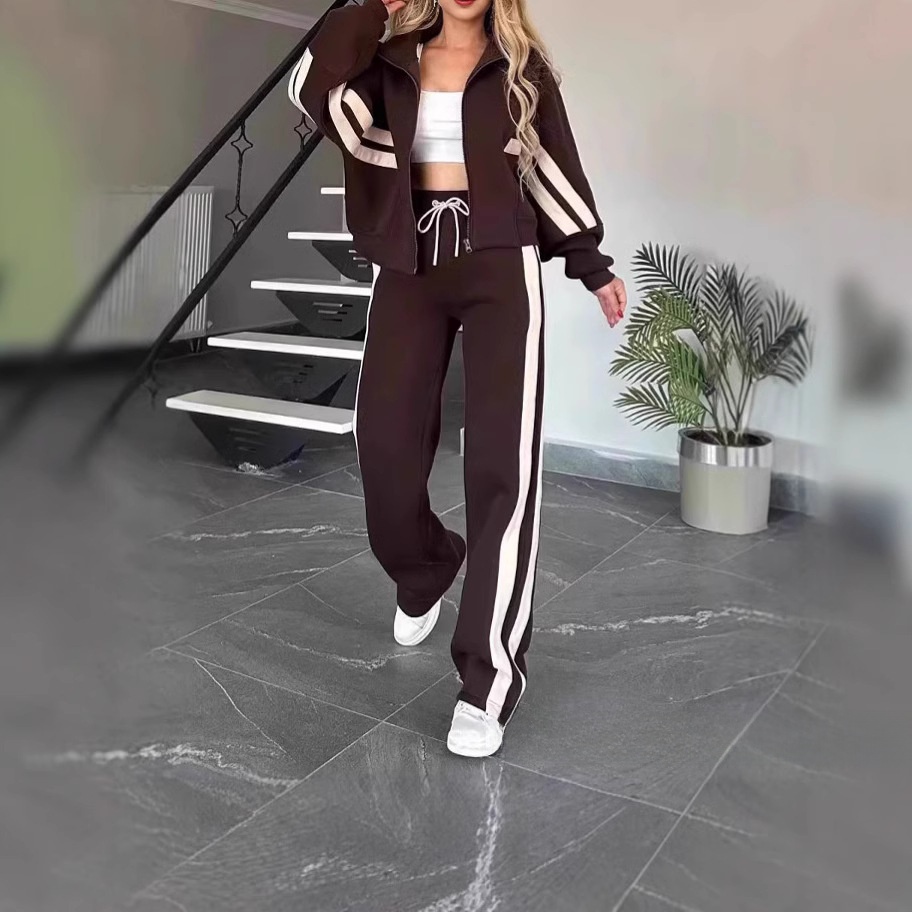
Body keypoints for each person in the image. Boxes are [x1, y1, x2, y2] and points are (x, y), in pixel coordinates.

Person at [290, 0, 626, 757]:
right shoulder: (390, 61)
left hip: (500, 266)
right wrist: (373, 10)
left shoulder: (522, 70)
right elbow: (313, 88)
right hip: (409, 264)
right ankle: (424, 566)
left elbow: (551, 167)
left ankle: (489, 678)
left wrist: (590, 264)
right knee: (383, 447)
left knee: (502, 469)